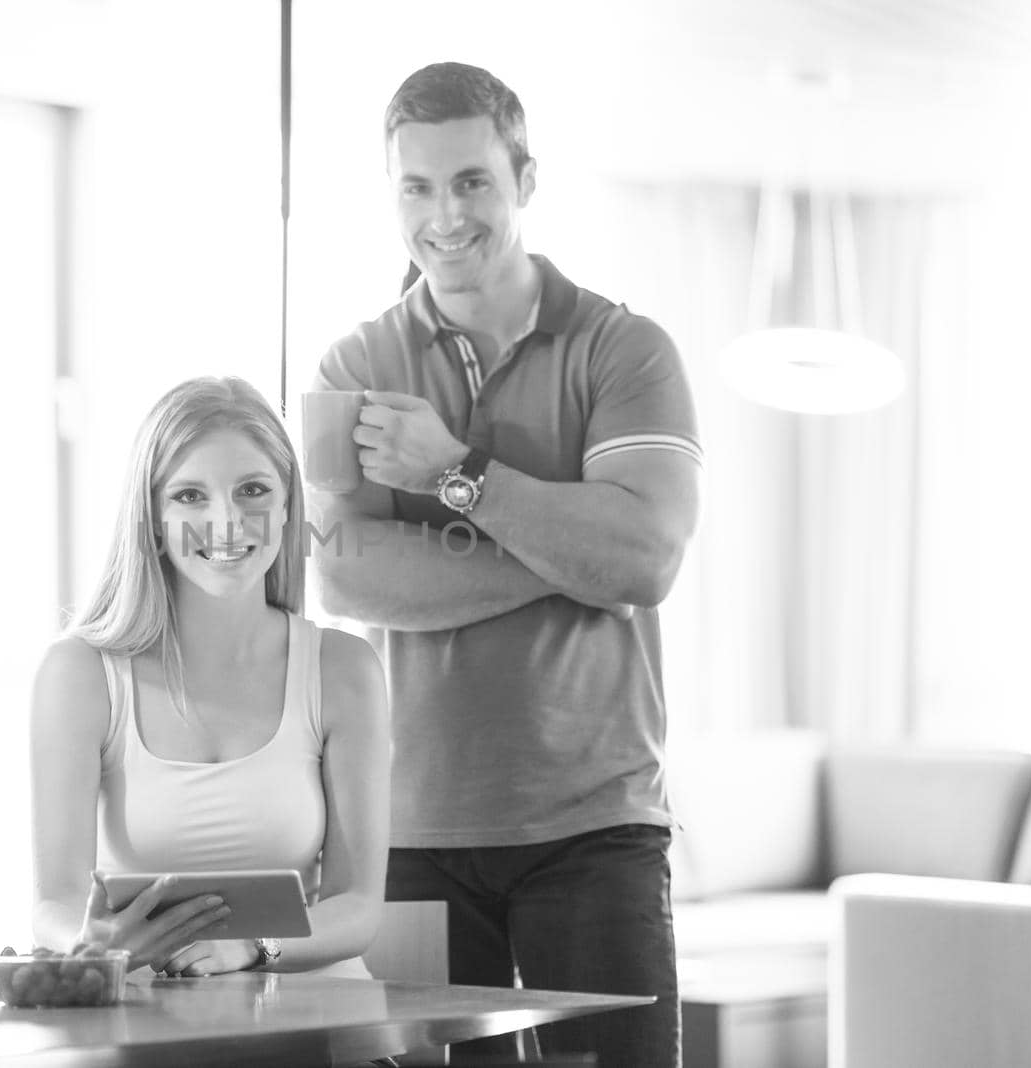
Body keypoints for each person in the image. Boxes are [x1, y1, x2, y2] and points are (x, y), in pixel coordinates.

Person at [309, 62, 702, 1064]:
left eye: (472, 181)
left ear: (524, 179)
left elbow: (645, 558)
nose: (445, 215)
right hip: (410, 834)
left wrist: (455, 474)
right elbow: (344, 576)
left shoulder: (624, 351)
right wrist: (569, 556)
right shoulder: (350, 371)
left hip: (594, 828)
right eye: (417, 187)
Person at [31, 375, 389, 979]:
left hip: (317, 1025)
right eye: (190, 496)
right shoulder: (80, 674)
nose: (226, 522)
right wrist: (91, 945)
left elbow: (356, 907)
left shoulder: (344, 669)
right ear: (152, 518)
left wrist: (254, 947)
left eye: (252, 489)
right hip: (147, 1028)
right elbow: (53, 905)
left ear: (287, 505)